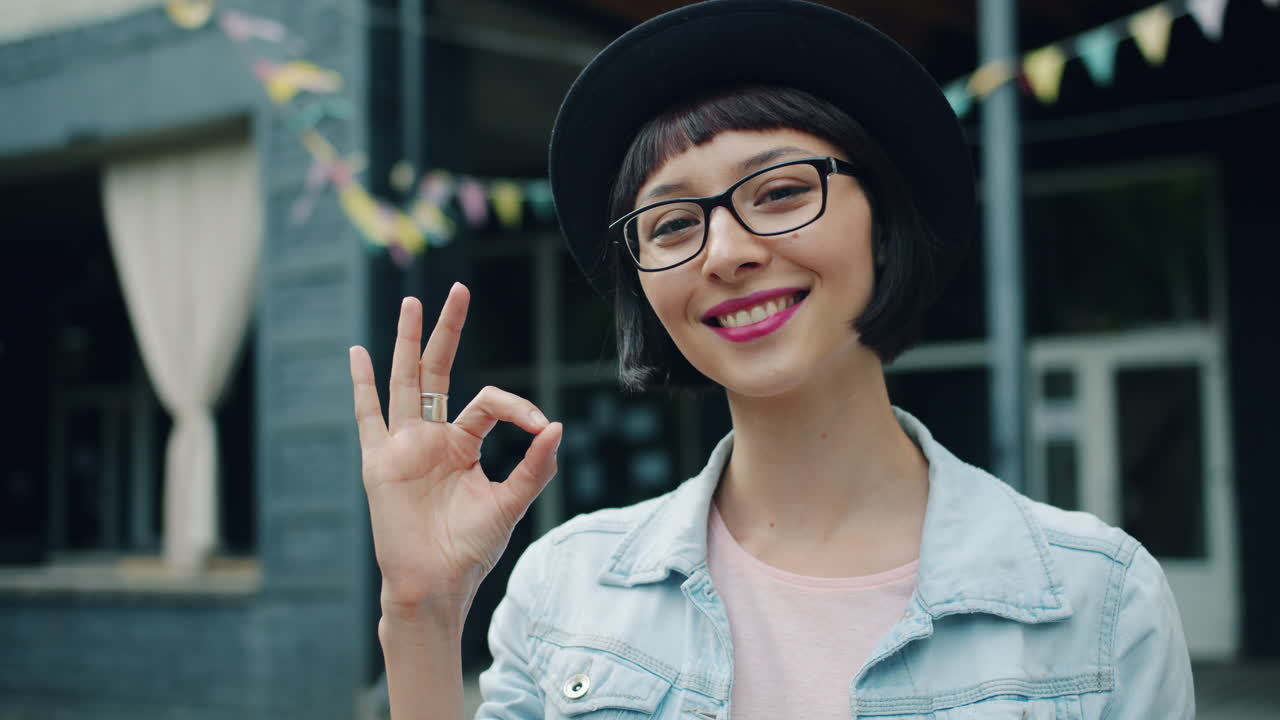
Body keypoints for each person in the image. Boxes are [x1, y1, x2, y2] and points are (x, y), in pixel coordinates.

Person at [348, 1, 1195, 717]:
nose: (726, 251)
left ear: (884, 222)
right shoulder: (563, 588)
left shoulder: (1099, 603)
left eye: (782, 191)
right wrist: (420, 614)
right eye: (673, 224)